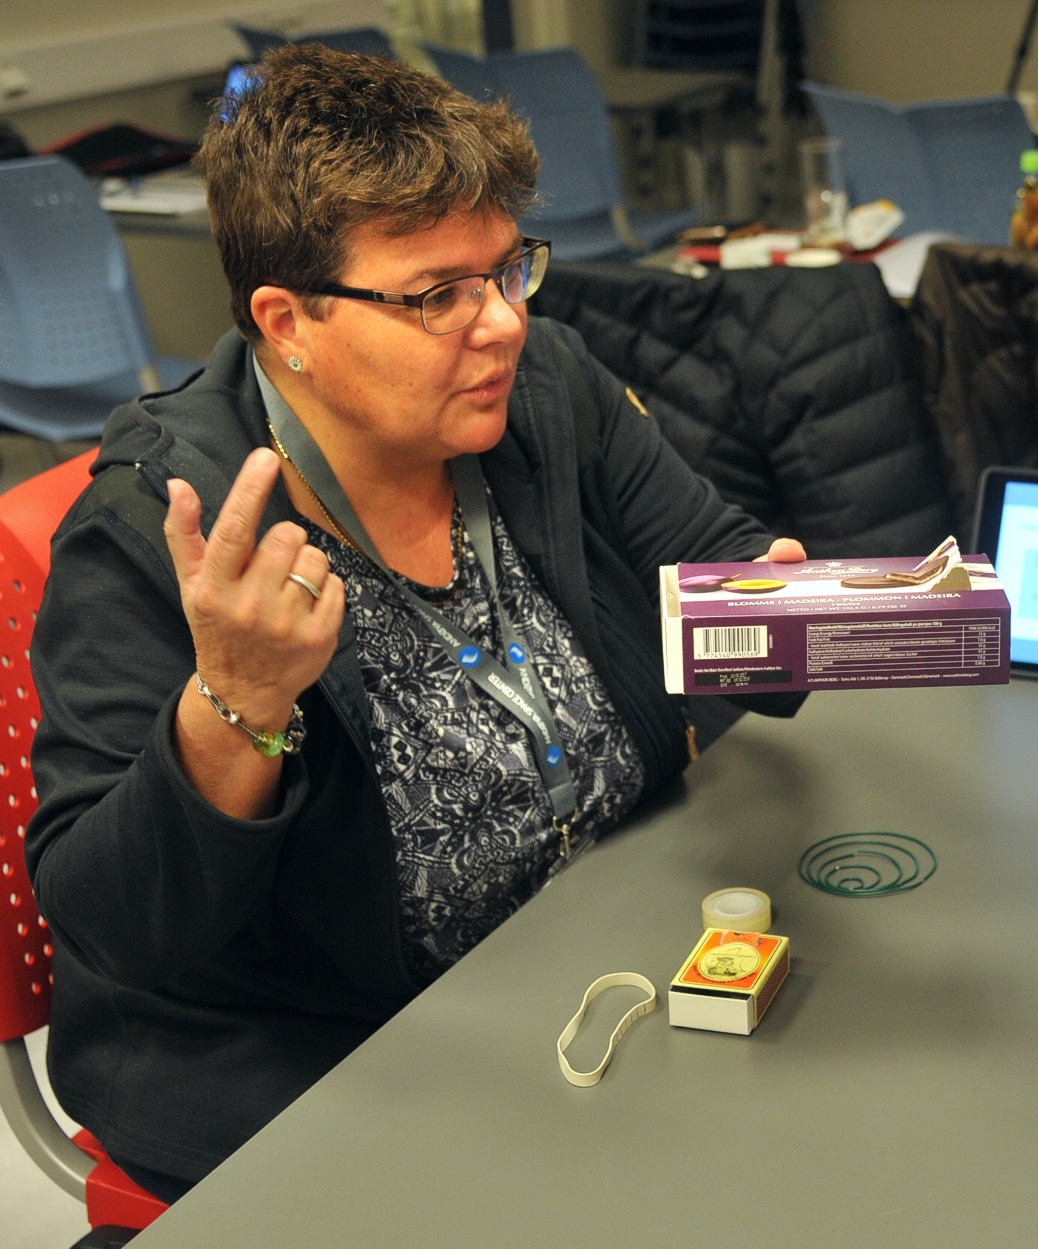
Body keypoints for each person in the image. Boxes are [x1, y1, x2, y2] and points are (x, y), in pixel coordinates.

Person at [24, 44, 805, 1200]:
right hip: (329, 1061)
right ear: (286, 320)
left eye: (507, 271)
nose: (502, 325)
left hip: (593, 962)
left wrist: (793, 616)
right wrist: (237, 703)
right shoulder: (155, 530)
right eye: (439, 294)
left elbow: (727, 590)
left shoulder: (546, 392)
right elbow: (122, 927)